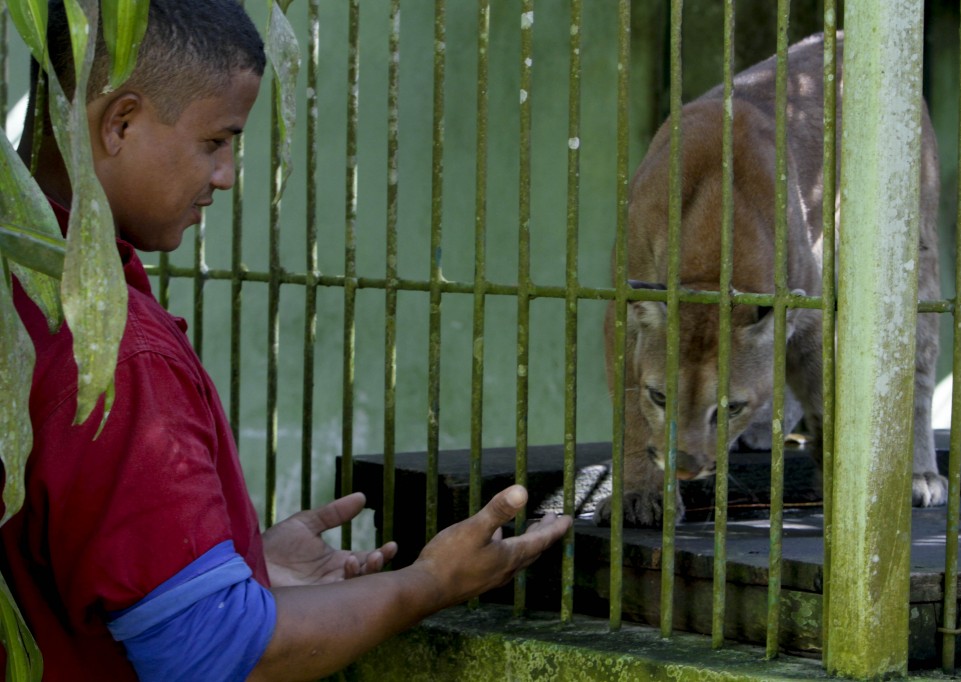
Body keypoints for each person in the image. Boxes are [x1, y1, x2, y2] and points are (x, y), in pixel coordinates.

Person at [0, 1, 572, 680]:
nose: (226, 174)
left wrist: (237, 562)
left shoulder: (22, 290)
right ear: (120, 123)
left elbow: (65, 559)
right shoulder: (118, 352)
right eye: (216, 141)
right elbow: (211, 652)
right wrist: (432, 584)